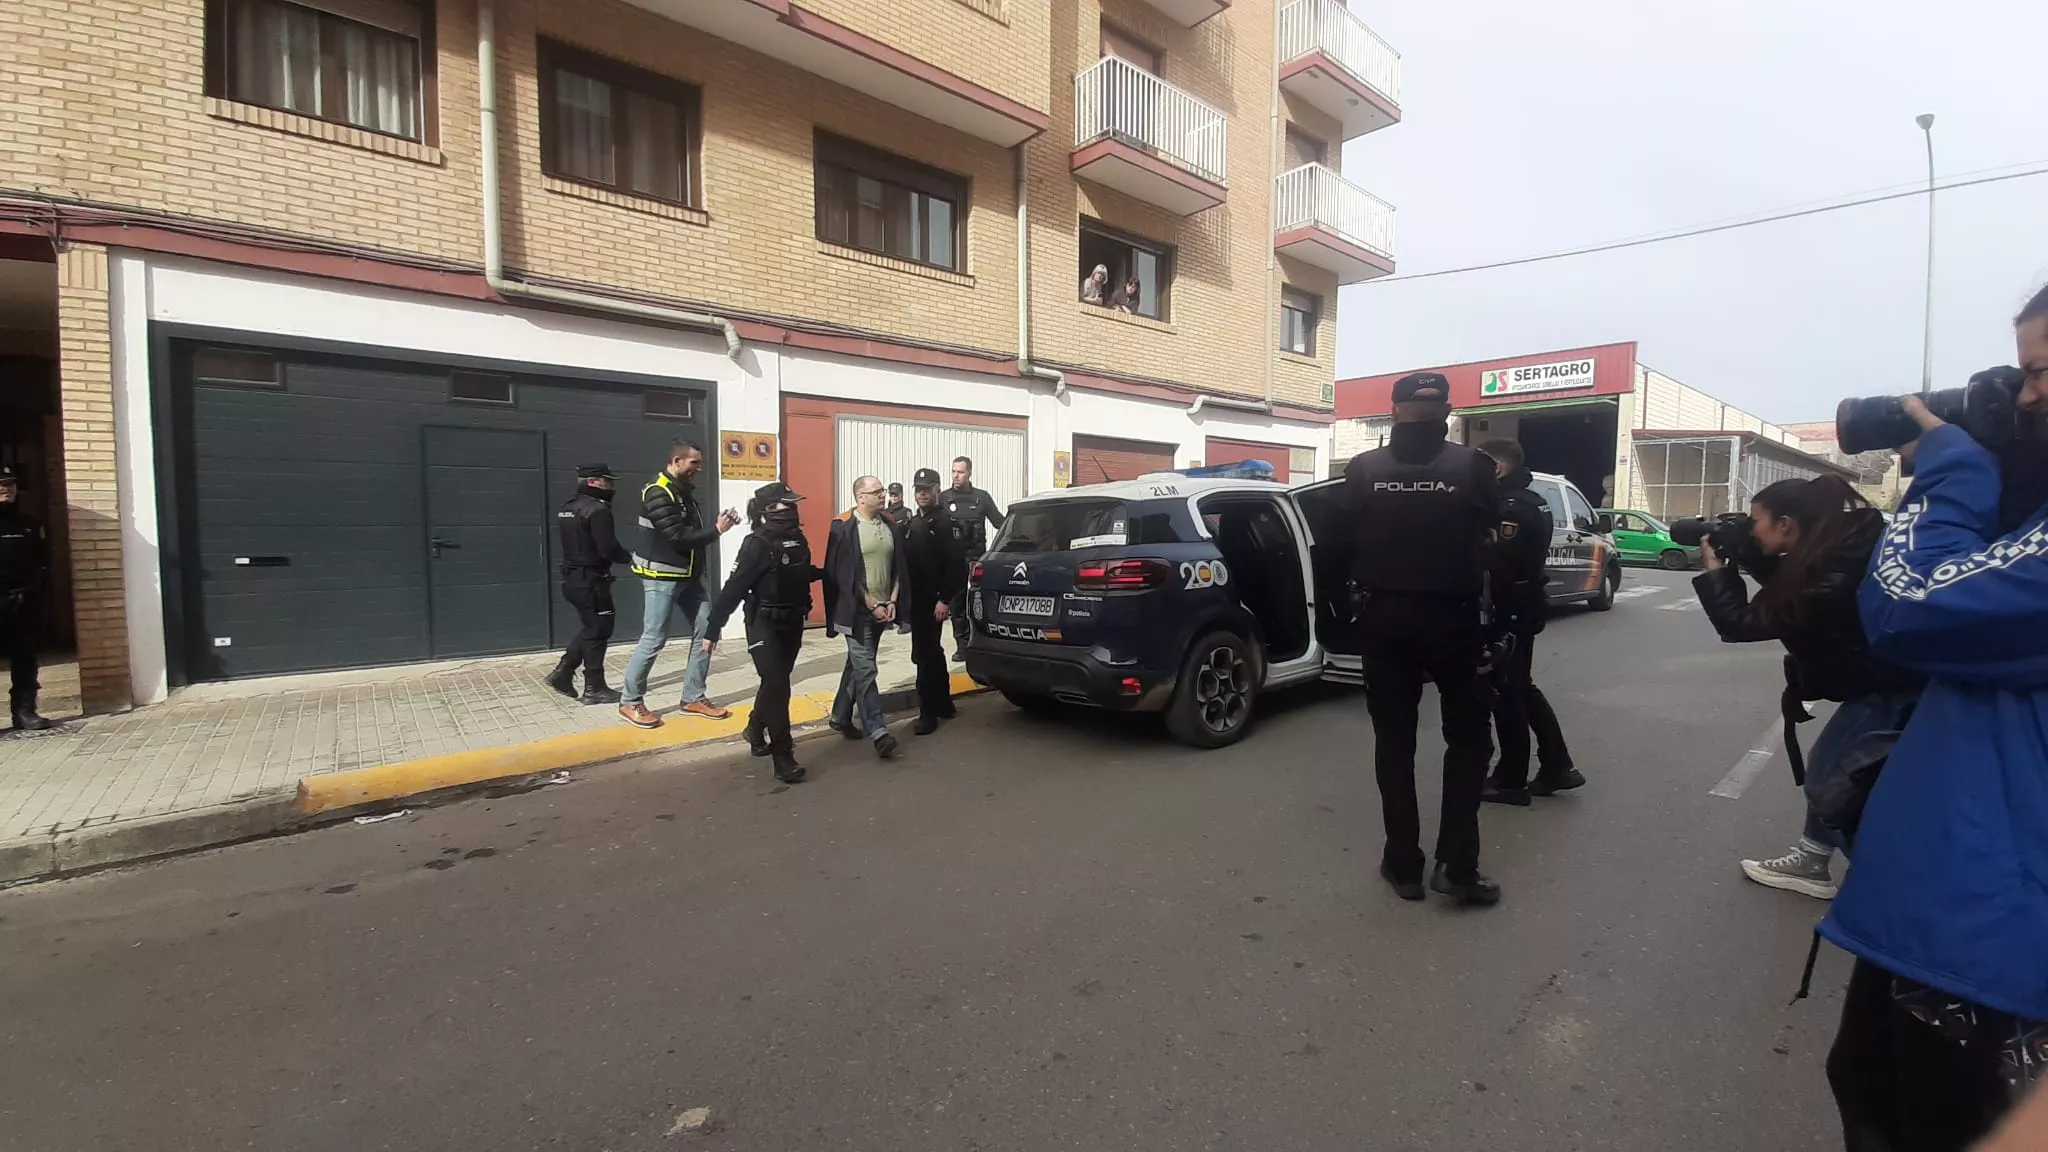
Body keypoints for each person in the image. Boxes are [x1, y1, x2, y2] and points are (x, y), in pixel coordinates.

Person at [1821, 285, 2048, 1150]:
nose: (2024, 399)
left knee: (1912, 1116)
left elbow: (1911, 607)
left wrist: (1952, 465)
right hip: (1976, 918)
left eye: (2038, 374)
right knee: (1874, 1088)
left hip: (1991, 944)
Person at [1691, 474, 1921, 900]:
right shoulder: (1837, 549)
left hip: (1894, 686)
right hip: (1884, 680)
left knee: (1831, 777)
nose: (1749, 530)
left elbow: (1743, 623)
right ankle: (1814, 859)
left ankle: (1889, 889)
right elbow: (1792, 587)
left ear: (1786, 525)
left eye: (1755, 522)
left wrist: (1716, 568)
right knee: (1837, 769)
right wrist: (1751, 552)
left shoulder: (1836, 570)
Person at [1342, 372, 1502, 906]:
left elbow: (1343, 542)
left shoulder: (1363, 469)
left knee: (1394, 744)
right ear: (1448, 414)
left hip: (1384, 620)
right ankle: (1457, 868)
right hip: (1455, 620)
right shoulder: (1475, 468)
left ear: (1394, 412)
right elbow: (1491, 543)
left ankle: (1403, 864)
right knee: (1469, 742)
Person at [1475, 439, 1582, 806]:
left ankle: (1511, 778)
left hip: (1510, 609)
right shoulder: (1527, 498)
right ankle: (1557, 764)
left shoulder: (1511, 506)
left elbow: (1501, 565)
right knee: (1520, 687)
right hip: (1521, 606)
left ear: (1498, 468)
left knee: (1507, 692)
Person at [702, 481, 821, 784]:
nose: (792, 510)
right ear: (770, 510)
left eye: (793, 504)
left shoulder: (798, 538)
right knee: (778, 685)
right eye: (786, 505)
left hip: (792, 621)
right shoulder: (756, 544)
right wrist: (713, 627)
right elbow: (734, 587)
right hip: (763, 622)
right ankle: (784, 756)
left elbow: (801, 572)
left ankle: (755, 727)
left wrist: (829, 572)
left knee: (773, 684)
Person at [618, 441, 740, 730]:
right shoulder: (658, 491)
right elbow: (677, 536)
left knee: (708, 631)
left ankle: (693, 697)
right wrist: (717, 530)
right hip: (662, 576)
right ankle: (630, 701)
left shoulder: (683, 493)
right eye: (694, 463)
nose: (699, 469)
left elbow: (690, 533)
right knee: (654, 637)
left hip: (689, 576)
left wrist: (717, 526)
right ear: (676, 461)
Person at [824, 475, 909, 758]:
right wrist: (871, 602)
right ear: (861, 497)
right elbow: (840, 573)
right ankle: (878, 730)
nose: (883, 495)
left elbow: (898, 566)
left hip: (884, 608)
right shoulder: (844, 527)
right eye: (877, 492)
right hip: (857, 612)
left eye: (883, 491)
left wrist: (893, 600)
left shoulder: (889, 524)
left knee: (859, 666)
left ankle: (839, 716)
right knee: (867, 670)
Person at [545, 463, 632, 705]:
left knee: (591, 627)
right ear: (593, 481)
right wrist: (631, 559)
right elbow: (607, 548)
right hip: (592, 581)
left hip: (573, 579)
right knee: (599, 630)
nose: (612, 485)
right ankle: (593, 687)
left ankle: (564, 672)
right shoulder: (598, 510)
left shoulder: (568, 509)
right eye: (608, 480)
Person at [902, 467, 966, 735]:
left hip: (933, 600)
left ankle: (927, 713)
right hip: (916, 599)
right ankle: (944, 703)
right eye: (918, 489)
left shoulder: (944, 523)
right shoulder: (914, 521)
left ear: (937, 490)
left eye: (927, 489)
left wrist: (944, 599)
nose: (922, 494)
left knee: (924, 656)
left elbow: (955, 567)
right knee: (932, 650)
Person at [0, 464, 52, 731]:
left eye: (9, 483)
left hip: (21, 604)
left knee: (24, 660)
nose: (5, 488)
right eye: (1, 483)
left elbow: (43, 565)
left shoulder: (30, 525)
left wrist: (30, 594)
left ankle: (24, 712)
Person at [944, 456, 1004, 660]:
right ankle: (962, 646)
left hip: (977, 560)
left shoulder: (981, 497)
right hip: (954, 561)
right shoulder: (945, 498)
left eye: (959, 472)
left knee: (982, 602)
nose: (955, 475)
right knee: (957, 606)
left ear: (969, 473)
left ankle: (985, 641)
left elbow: (1000, 523)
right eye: (953, 471)